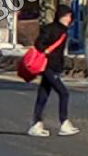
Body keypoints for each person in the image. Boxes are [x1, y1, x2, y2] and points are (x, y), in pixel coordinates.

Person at [28, 10, 78, 138]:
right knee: (64, 93)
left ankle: (36, 123)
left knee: (43, 94)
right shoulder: (53, 29)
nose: (68, 19)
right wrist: (47, 51)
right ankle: (64, 123)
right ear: (60, 17)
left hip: (52, 66)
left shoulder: (61, 30)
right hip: (49, 66)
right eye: (66, 16)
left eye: (69, 17)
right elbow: (39, 43)